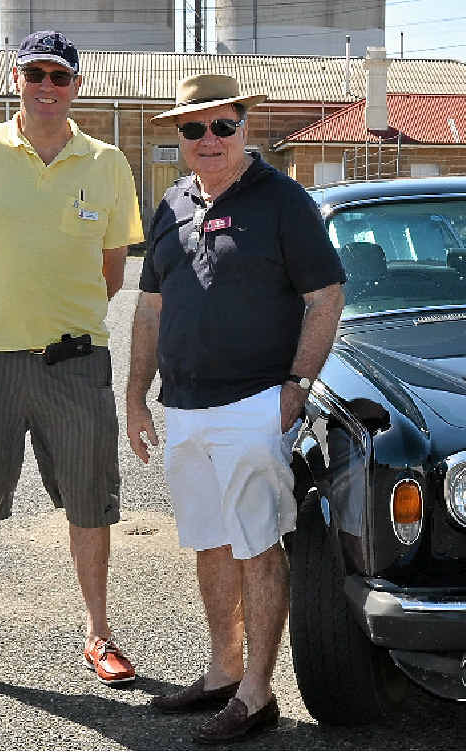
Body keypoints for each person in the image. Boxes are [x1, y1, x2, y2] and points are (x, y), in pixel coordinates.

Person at [0, 29, 144, 697]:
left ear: (77, 87)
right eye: (35, 74)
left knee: (90, 504)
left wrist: (59, 324)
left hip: (75, 367)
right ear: (14, 79)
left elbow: (112, 272)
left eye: (60, 76)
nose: (48, 86)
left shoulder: (107, 163)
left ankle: (99, 636)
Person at [126, 74, 346, 743]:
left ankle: (257, 692)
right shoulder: (169, 204)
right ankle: (222, 670)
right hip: (185, 408)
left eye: (222, 125)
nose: (208, 140)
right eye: (193, 129)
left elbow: (326, 297)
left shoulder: (282, 201)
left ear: (245, 126)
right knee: (210, 543)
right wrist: (135, 393)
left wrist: (297, 387)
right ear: (181, 138)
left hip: (256, 404)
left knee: (256, 547)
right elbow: (149, 308)